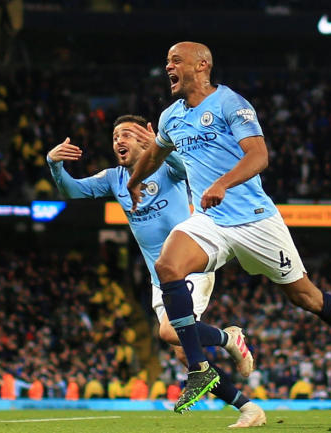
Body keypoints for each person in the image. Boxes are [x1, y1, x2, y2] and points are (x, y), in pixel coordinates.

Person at [127, 41, 331, 413]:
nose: (168, 67)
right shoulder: (171, 116)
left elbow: (259, 155)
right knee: (168, 266)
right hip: (211, 220)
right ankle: (199, 368)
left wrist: (222, 183)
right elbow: (154, 156)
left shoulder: (230, 103)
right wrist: (132, 181)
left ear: (202, 65)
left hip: (255, 220)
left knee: (306, 297)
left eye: (176, 60)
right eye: (167, 61)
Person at [47, 114, 266, 428]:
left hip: (190, 263)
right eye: (114, 137)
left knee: (168, 332)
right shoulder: (114, 178)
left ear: (142, 140)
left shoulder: (165, 167)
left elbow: (184, 169)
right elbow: (73, 191)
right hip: (160, 278)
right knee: (183, 354)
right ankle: (248, 408)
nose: (118, 142)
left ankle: (228, 338)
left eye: (125, 135)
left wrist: (162, 148)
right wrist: (54, 164)